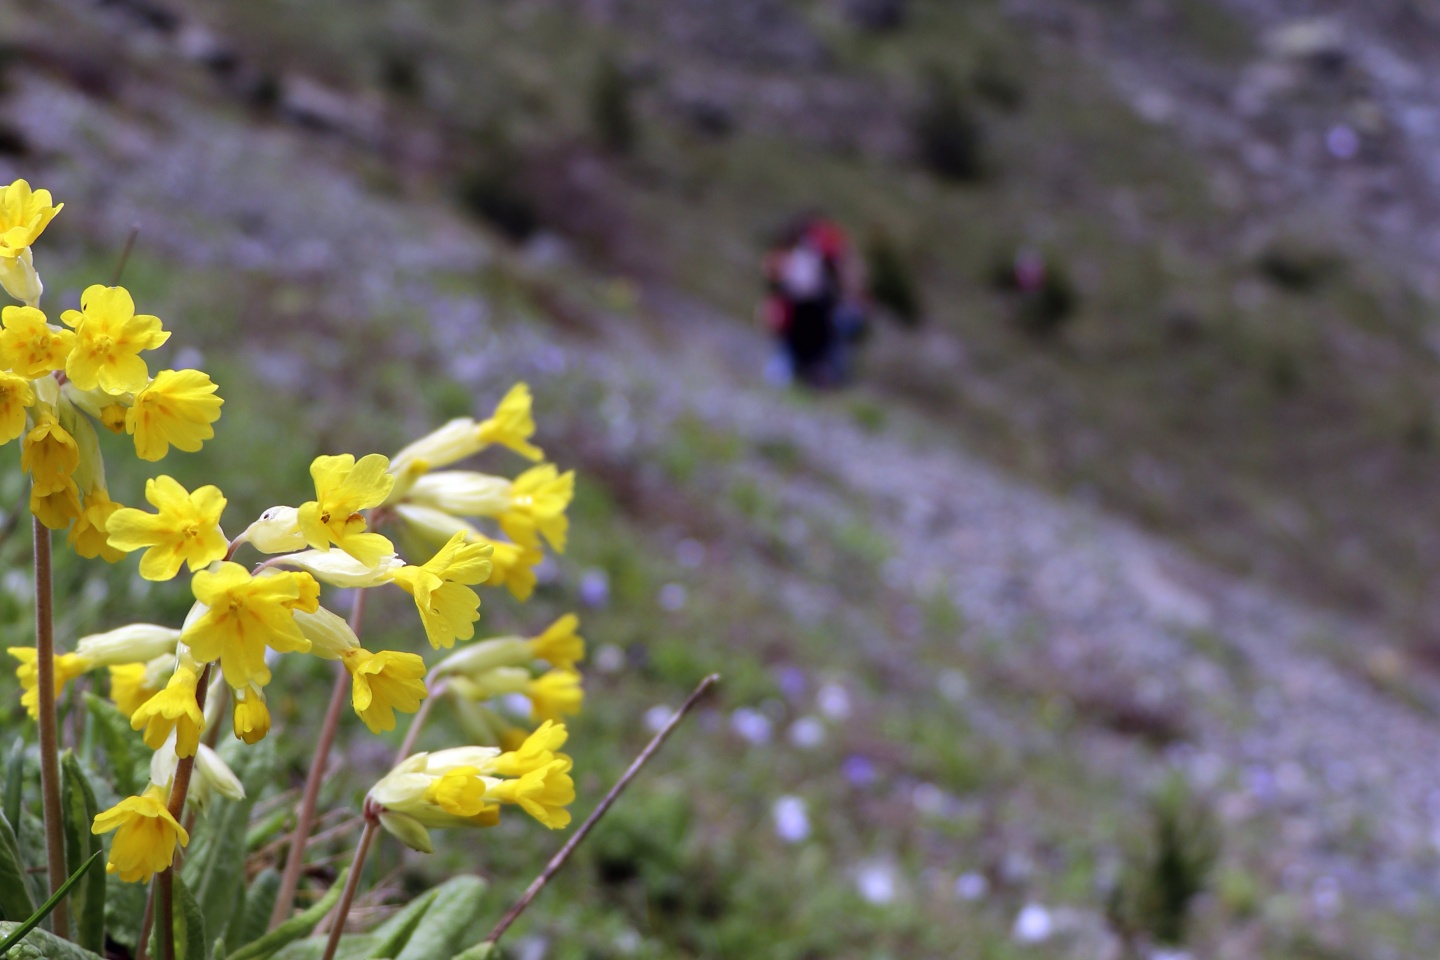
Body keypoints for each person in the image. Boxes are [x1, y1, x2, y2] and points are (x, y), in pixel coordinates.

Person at [761, 214, 865, 387]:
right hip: (804, 320)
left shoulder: (826, 259)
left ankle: (818, 377)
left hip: (816, 320)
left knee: (817, 356)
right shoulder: (806, 258)